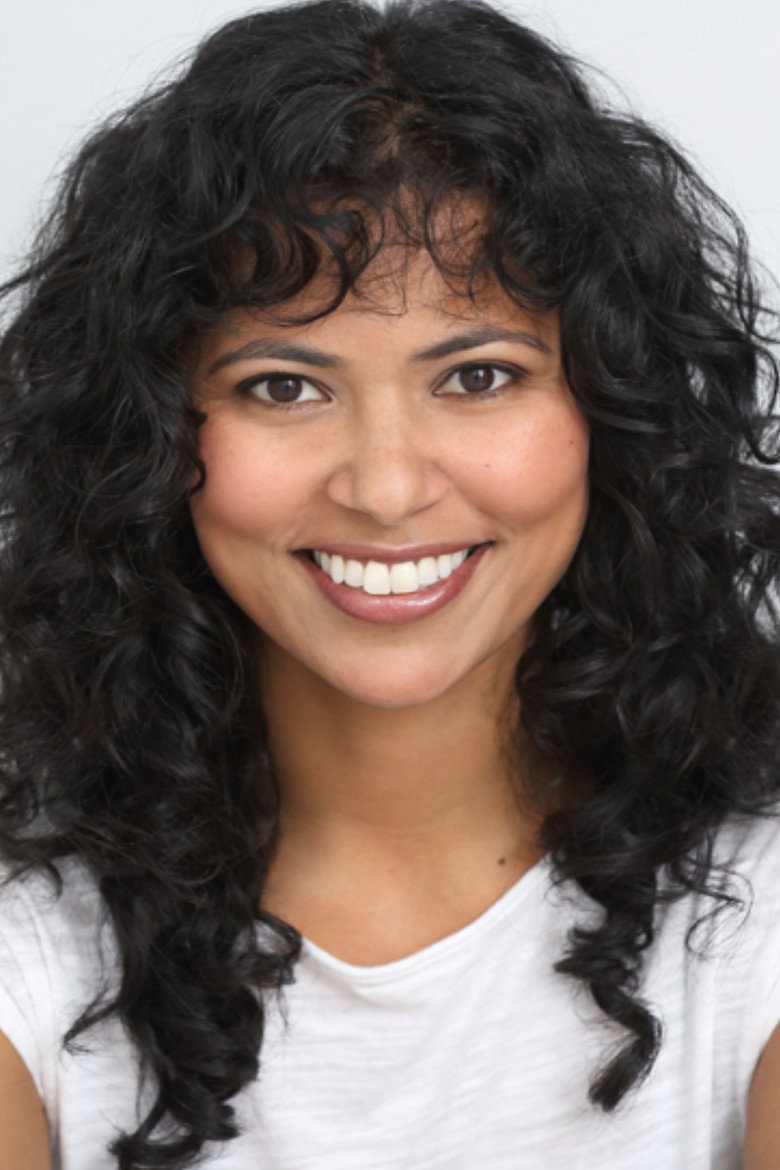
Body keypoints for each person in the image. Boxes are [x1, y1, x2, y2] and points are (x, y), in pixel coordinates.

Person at [0, 0, 778, 1166]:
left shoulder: (760, 911)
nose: (387, 487)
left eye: (477, 376)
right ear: (145, 436)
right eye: (283, 387)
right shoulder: (29, 947)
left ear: (615, 410)